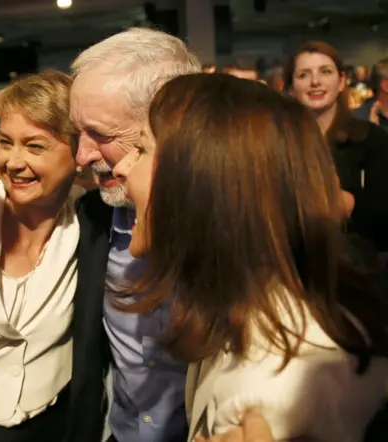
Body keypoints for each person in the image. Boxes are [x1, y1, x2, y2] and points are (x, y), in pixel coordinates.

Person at [112, 73, 388, 441]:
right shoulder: (253, 312)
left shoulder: (267, 397)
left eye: (142, 150)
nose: (121, 169)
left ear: (202, 182)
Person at [0, 70, 102, 442]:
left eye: (34, 146)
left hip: (60, 429)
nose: (12, 161)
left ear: (78, 152)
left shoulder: (94, 225)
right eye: (6, 142)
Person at [70, 27, 201, 442]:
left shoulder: (236, 231)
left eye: (102, 135)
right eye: (78, 132)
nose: (82, 155)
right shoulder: (92, 217)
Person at [284, 41, 388, 253]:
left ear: (341, 82)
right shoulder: (278, 142)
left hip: (358, 269)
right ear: (291, 89)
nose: (315, 82)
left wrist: (347, 204)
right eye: (303, 75)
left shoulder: (371, 139)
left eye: (325, 72)